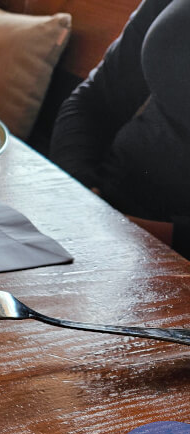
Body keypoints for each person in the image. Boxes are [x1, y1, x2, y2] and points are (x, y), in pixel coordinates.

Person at [50, 0, 190, 258]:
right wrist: (80, 192)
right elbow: (94, 101)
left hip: (170, 256)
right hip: (97, 208)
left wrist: (127, 230)